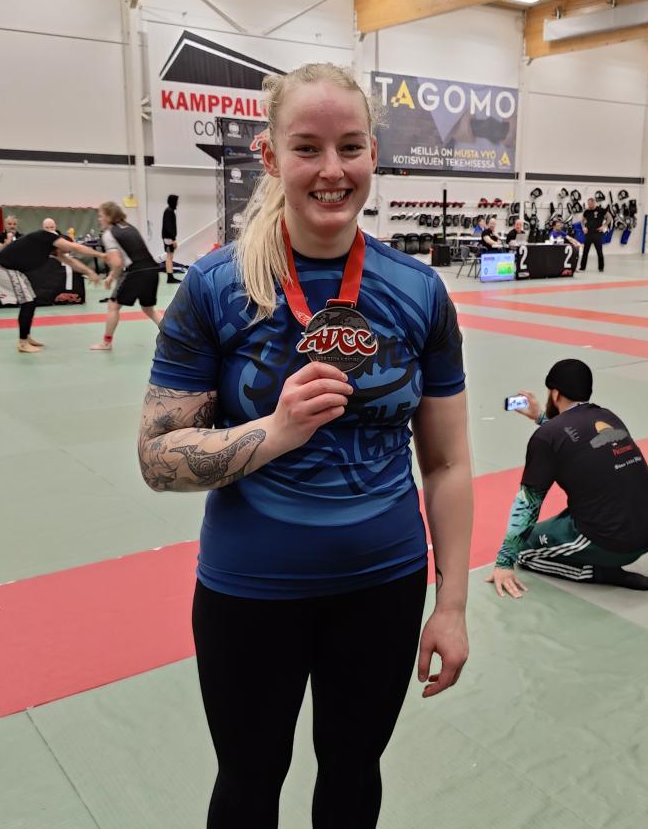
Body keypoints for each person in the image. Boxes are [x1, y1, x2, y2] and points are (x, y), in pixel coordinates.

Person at [138, 63, 473, 829]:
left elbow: (448, 462)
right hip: (249, 592)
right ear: (270, 155)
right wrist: (277, 429)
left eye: (350, 147)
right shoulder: (217, 288)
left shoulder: (419, 291)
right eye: (307, 148)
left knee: (354, 777)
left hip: (383, 587)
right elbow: (156, 458)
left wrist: (451, 605)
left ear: (373, 153)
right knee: (248, 782)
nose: (332, 170)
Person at [487, 359, 648, 599]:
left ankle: (600, 572)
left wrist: (504, 562)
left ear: (555, 394)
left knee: (523, 550)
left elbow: (528, 503)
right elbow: (575, 440)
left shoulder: (546, 437)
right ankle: (606, 557)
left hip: (616, 540)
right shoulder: (607, 417)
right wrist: (540, 417)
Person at [0, 228, 105, 352]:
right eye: (65, 250)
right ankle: (22, 343)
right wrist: (102, 255)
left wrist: (89, 272)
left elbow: (71, 262)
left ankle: (26, 337)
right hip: (3, 268)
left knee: (31, 301)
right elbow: (77, 247)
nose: (64, 253)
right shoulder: (47, 236)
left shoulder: (53, 250)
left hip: (11, 269)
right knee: (27, 303)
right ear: (60, 244)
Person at [90, 201, 162, 351]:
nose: (99, 219)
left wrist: (112, 277)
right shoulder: (130, 228)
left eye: (101, 216)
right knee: (149, 309)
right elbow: (126, 257)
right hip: (152, 269)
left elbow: (117, 263)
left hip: (136, 272)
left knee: (113, 306)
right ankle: (175, 336)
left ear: (109, 216)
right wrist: (112, 275)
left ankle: (106, 343)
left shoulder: (109, 234)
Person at [580, 197, 608, 272]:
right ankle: (582, 267)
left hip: (597, 234)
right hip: (588, 234)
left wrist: (604, 226)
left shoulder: (600, 210)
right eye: (588, 204)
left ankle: (601, 268)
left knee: (599, 252)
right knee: (585, 252)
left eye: (590, 204)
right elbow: (582, 221)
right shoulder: (587, 211)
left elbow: (609, 217)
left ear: (594, 203)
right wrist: (583, 227)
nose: (589, 206)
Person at [161, 194, 181, 283]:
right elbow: (168, 227)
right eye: (176, 201)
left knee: (170, 257)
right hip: (169, 238)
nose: (177, 203)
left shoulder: (169, 211)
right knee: (169, 257)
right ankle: (170, 277)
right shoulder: (169, 211)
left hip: (168, 237)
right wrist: (173, 239)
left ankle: (170, 276)